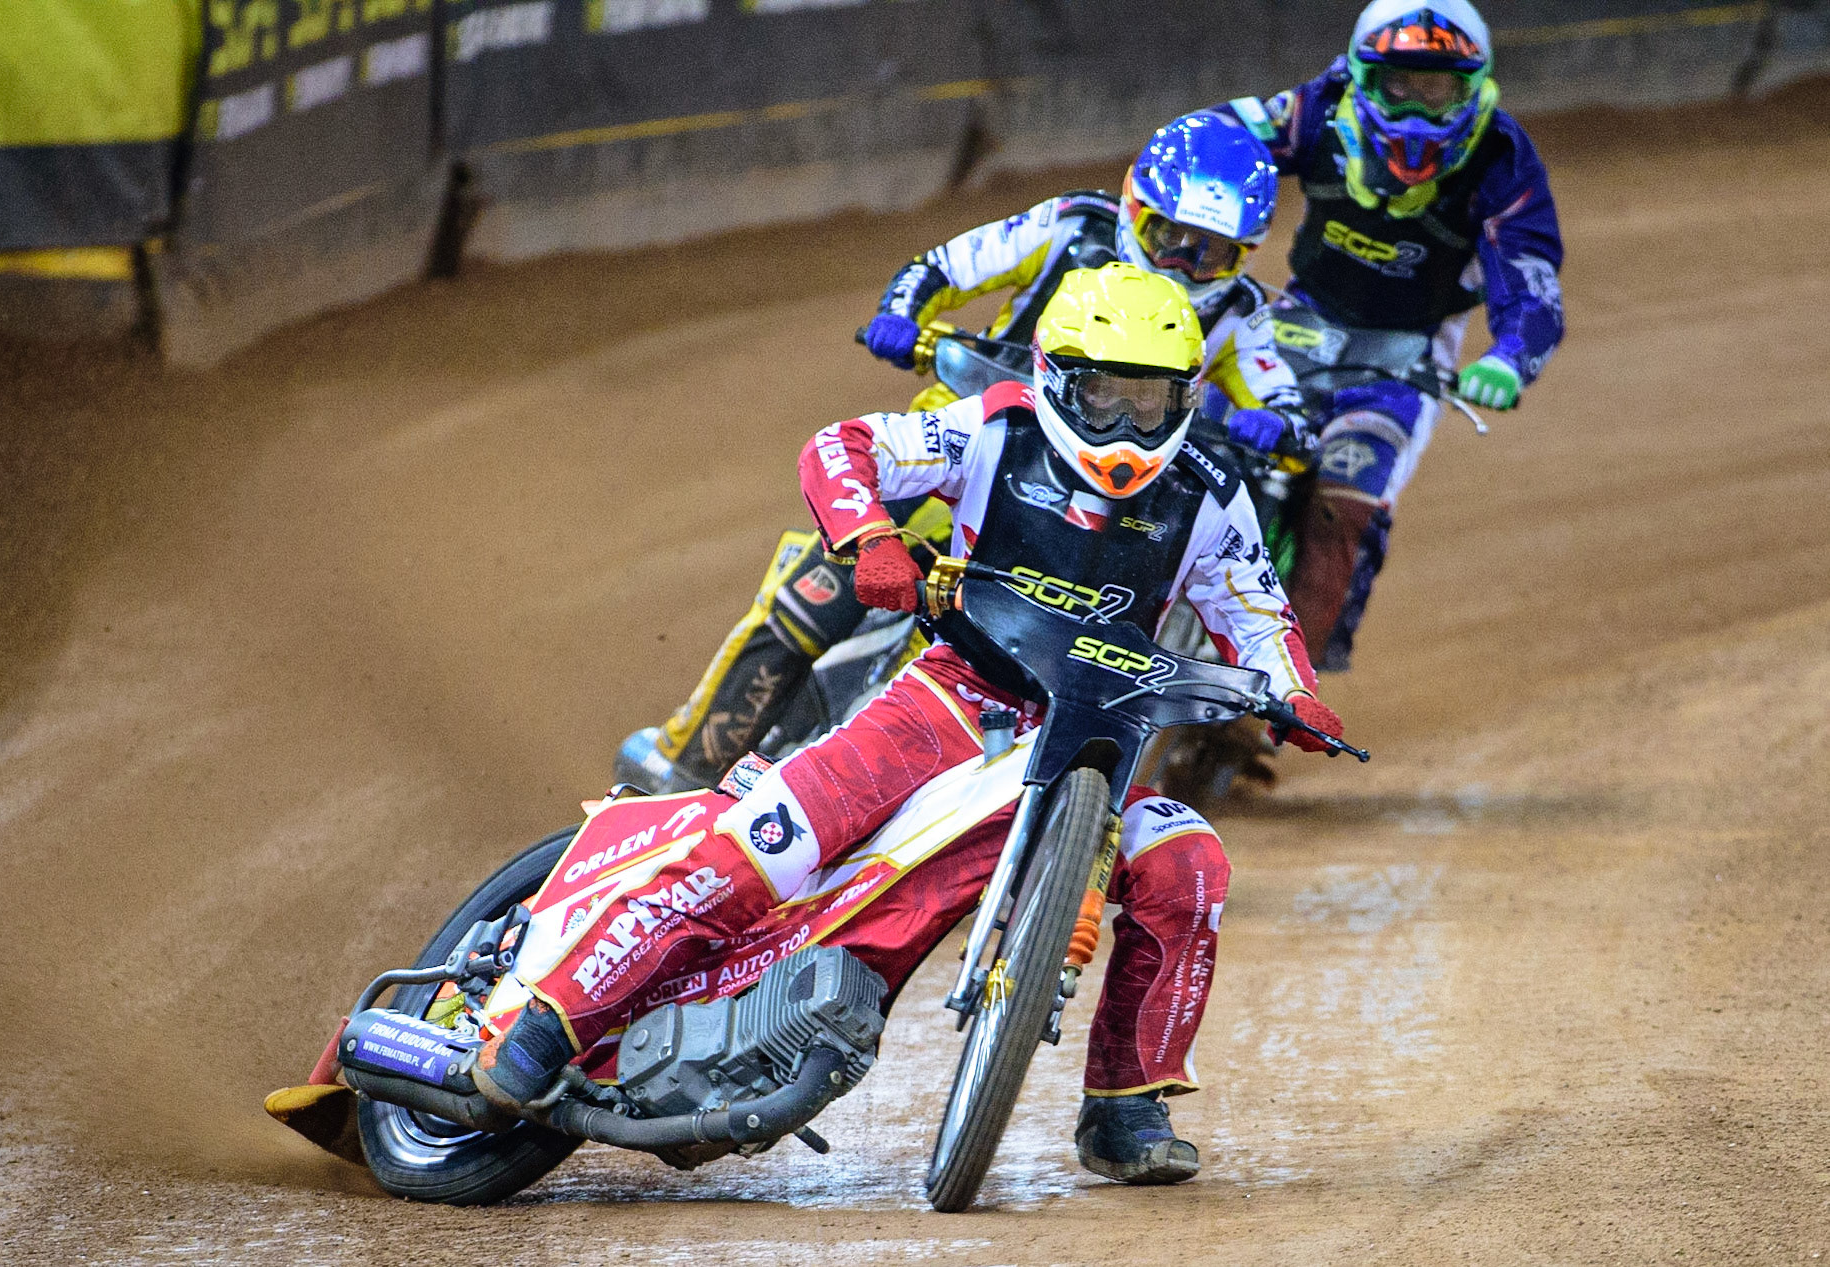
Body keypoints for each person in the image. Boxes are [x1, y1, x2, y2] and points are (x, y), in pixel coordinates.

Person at [479, 264, 1345, 1185]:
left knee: (1188, 862)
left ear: (1186, 397)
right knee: (768, 844)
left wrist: (1292, 691)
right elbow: (841, 444)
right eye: (1105, 395)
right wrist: (871, 538)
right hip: (946, 701)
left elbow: (1257, 608)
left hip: (1094, 733)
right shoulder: (996, 426)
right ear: (1058, 379)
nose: (1127, 426)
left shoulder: (1209, 489)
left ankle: (1124, 1110)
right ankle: (549, 1019)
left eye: (1151, 400)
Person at [616, 110, 1309, 795]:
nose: (1184, 263)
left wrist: (1277, 427)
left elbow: (1289, 405)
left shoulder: (1242, 312)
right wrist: (900, 313)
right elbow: (945, 266)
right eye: (1169, 237)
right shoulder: (1071, 225)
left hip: (1089, 499)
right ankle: (684, 767)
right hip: (962, 452)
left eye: (1210, 252)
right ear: (1134, 208)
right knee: (813, 599)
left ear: (1244, 255)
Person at [1217, 0, 1565, 668]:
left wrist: (1510, 357)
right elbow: (1220, 136)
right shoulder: (1318, 108)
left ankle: (1290, 686)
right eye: (1398, 83)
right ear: (1362, 76)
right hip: (1295, 321)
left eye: (1435, 89)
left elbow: (1530, 274)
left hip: (1409, 352)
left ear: (1472, 88)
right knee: (1194, 444)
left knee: (1345, 507)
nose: (1414, 110)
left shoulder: (1500, 157)